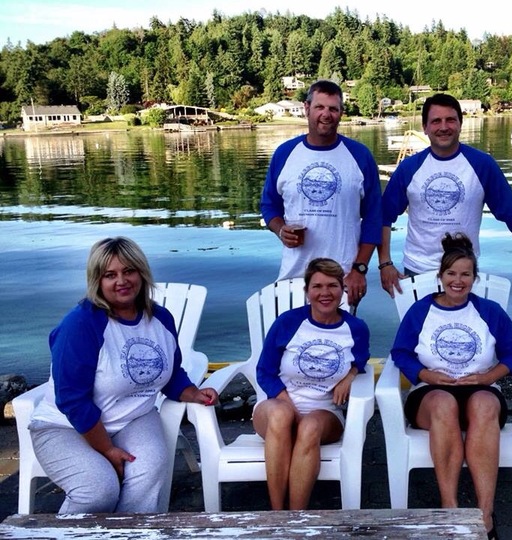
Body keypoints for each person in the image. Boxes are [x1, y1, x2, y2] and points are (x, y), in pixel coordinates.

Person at [28, 236, 219, 514]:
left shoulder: (161, 318)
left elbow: (171, 370)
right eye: (110, 275)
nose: (122, 280)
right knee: (99, 489)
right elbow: (72, 400)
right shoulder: (80, 324)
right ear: (97, 281)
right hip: (65, 427)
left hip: (133, 418)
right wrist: (106, 450)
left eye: (129, 270)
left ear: (141, 273)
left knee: (149, 470)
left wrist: (191, 392)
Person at [390, 232, 512, 539]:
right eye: (451, 273)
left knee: (485, 405)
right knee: (443, 404)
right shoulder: (422, 311)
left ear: (474, 278)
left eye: (466, 274)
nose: (458, 281)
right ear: (440, 276)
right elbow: (400, 353)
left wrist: (490, 377)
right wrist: (425, 375)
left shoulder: (489, 312)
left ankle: (485, 514)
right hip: (431, 392)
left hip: (480, 388)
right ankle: (450, 509)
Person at [379, 93, 512, 298]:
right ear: (425, 127)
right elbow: (384, 216)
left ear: (460, 123)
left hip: (464, 273)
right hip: (418, 271)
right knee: (418, 330)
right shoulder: (409, 168)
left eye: (450, 120)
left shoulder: (483, 165)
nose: (444, 127)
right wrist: (385, 263)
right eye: (436, 121)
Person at [253, 258, 370, 510]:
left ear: (343, 290)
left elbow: (361, 359)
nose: (325, 293)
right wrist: (287, 404)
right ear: (307, 291)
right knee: (281, 416)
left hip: (325, 413)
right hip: (277, 406)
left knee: (309, 426)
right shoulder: (288, 322)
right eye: (317, 286)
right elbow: (264, 371)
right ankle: (277, 514)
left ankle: (297, 516)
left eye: (332, 286)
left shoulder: (356, 328)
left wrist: (349, 376)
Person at [260, 79, 382, 307]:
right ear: (307, 109)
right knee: (290, 342)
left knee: (339, 343)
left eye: (333, 109)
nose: (326, 114)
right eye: (320, 107)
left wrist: (360, 269)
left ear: (341, 113)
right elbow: (269, 205)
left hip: (342, 279)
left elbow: (374, 218)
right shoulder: (285, 153)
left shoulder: (360, 156)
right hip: (294, 276)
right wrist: (280, 230)